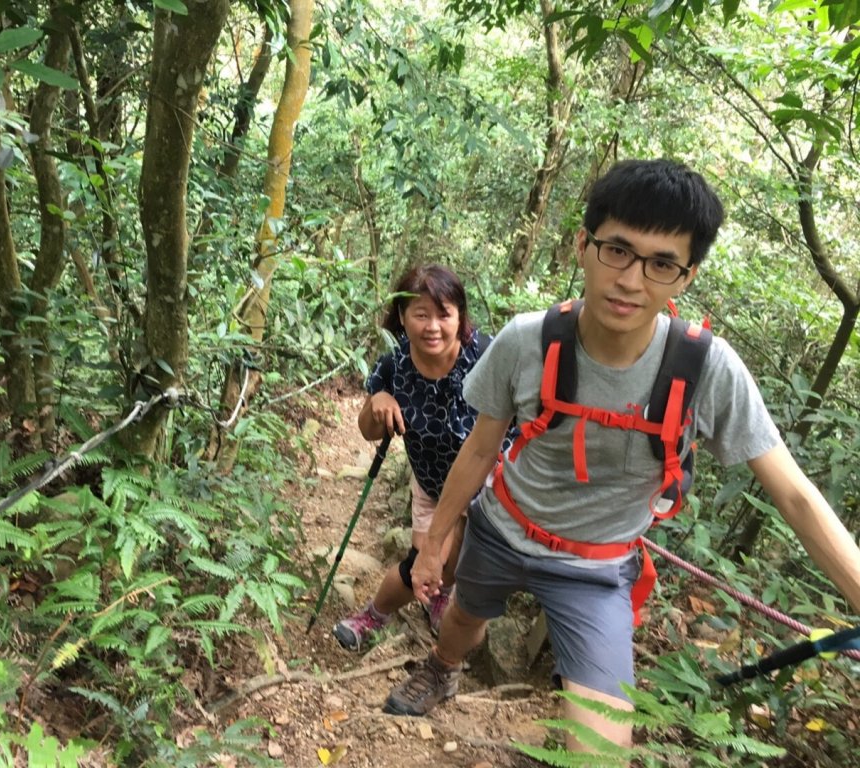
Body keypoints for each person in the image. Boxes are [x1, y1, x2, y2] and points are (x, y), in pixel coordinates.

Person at [384, 159, 860, 755]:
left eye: (661, 263)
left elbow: (792, 493)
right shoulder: (527, 341)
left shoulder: (706, 370)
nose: (631, 280)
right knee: (462, 618)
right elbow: (481, 448)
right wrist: (434, 544)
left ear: (685, 277)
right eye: (617, 251)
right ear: (583, 247)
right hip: (503, 528)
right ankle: (443, 668)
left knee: (602, 747)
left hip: (596, 569)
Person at [332, 264, 497, 651]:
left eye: (444, 314)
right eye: (421, 315)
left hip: (484, 484)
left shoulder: (486, 356)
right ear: (402, 317)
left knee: (443, 560)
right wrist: (378, 401)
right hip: (430, 482)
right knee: (422, 561)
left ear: (460, 316)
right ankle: (378, 615)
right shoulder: (395, 365)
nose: (433, 326)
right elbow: (368, 431)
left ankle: (417, 601)